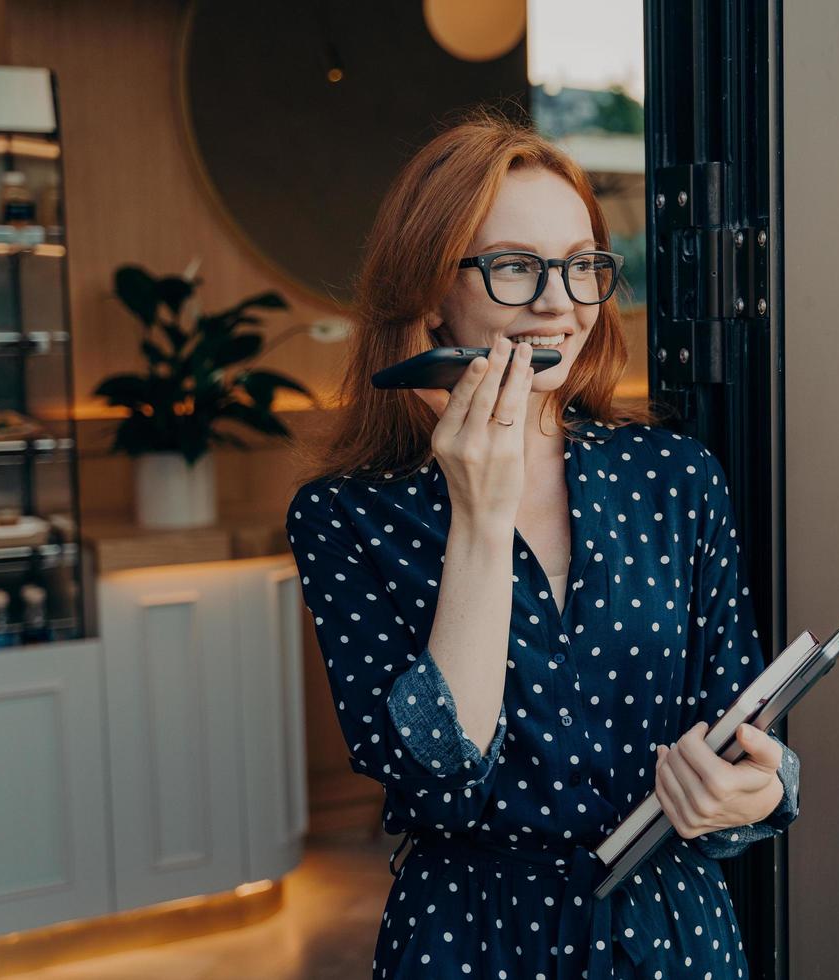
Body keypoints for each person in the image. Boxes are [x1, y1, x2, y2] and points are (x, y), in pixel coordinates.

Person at [284, 110, 800, 979]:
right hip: (473, 938)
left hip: (672, 930)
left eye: (580, 266)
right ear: (428, 291)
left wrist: (764, 789)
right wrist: (481, 519)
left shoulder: (675, 477)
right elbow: (441, 778)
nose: (560, 302)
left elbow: (742, 726)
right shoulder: (345, 516)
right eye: (517, 267)